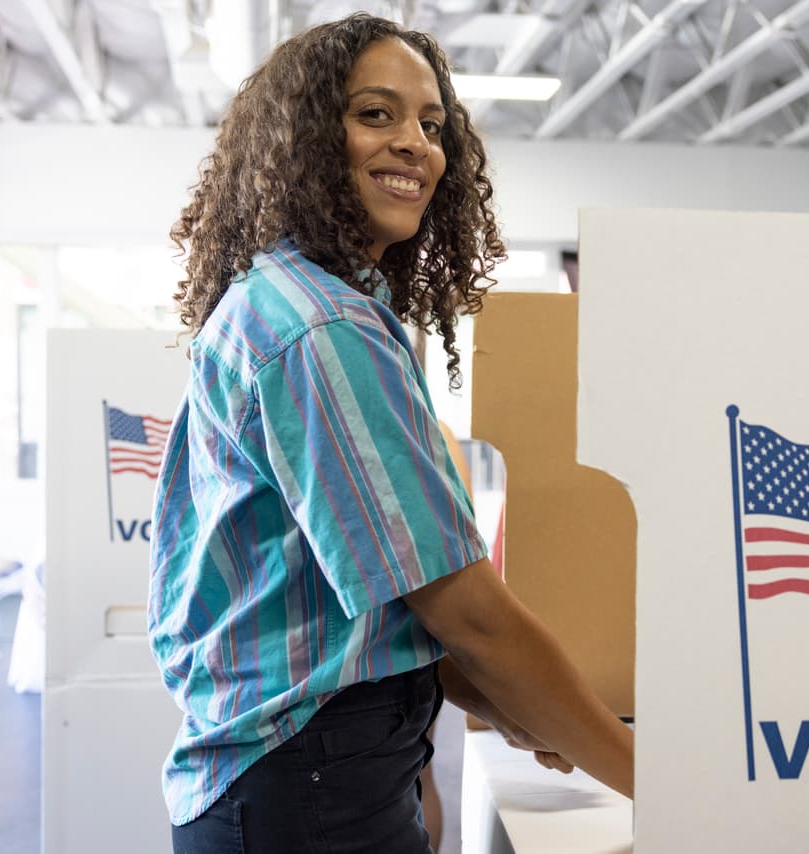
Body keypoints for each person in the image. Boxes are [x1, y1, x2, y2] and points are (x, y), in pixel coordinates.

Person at [149, 14, 633, 854]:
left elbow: (374, 614)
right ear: (305, 140)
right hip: (310, 793)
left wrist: (514, 707)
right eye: (376, 114)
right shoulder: (322, 326)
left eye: (432, 124)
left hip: (302, 780)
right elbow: (467, 613)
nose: (415, 143)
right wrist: (650, 774)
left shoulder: (293, 300)